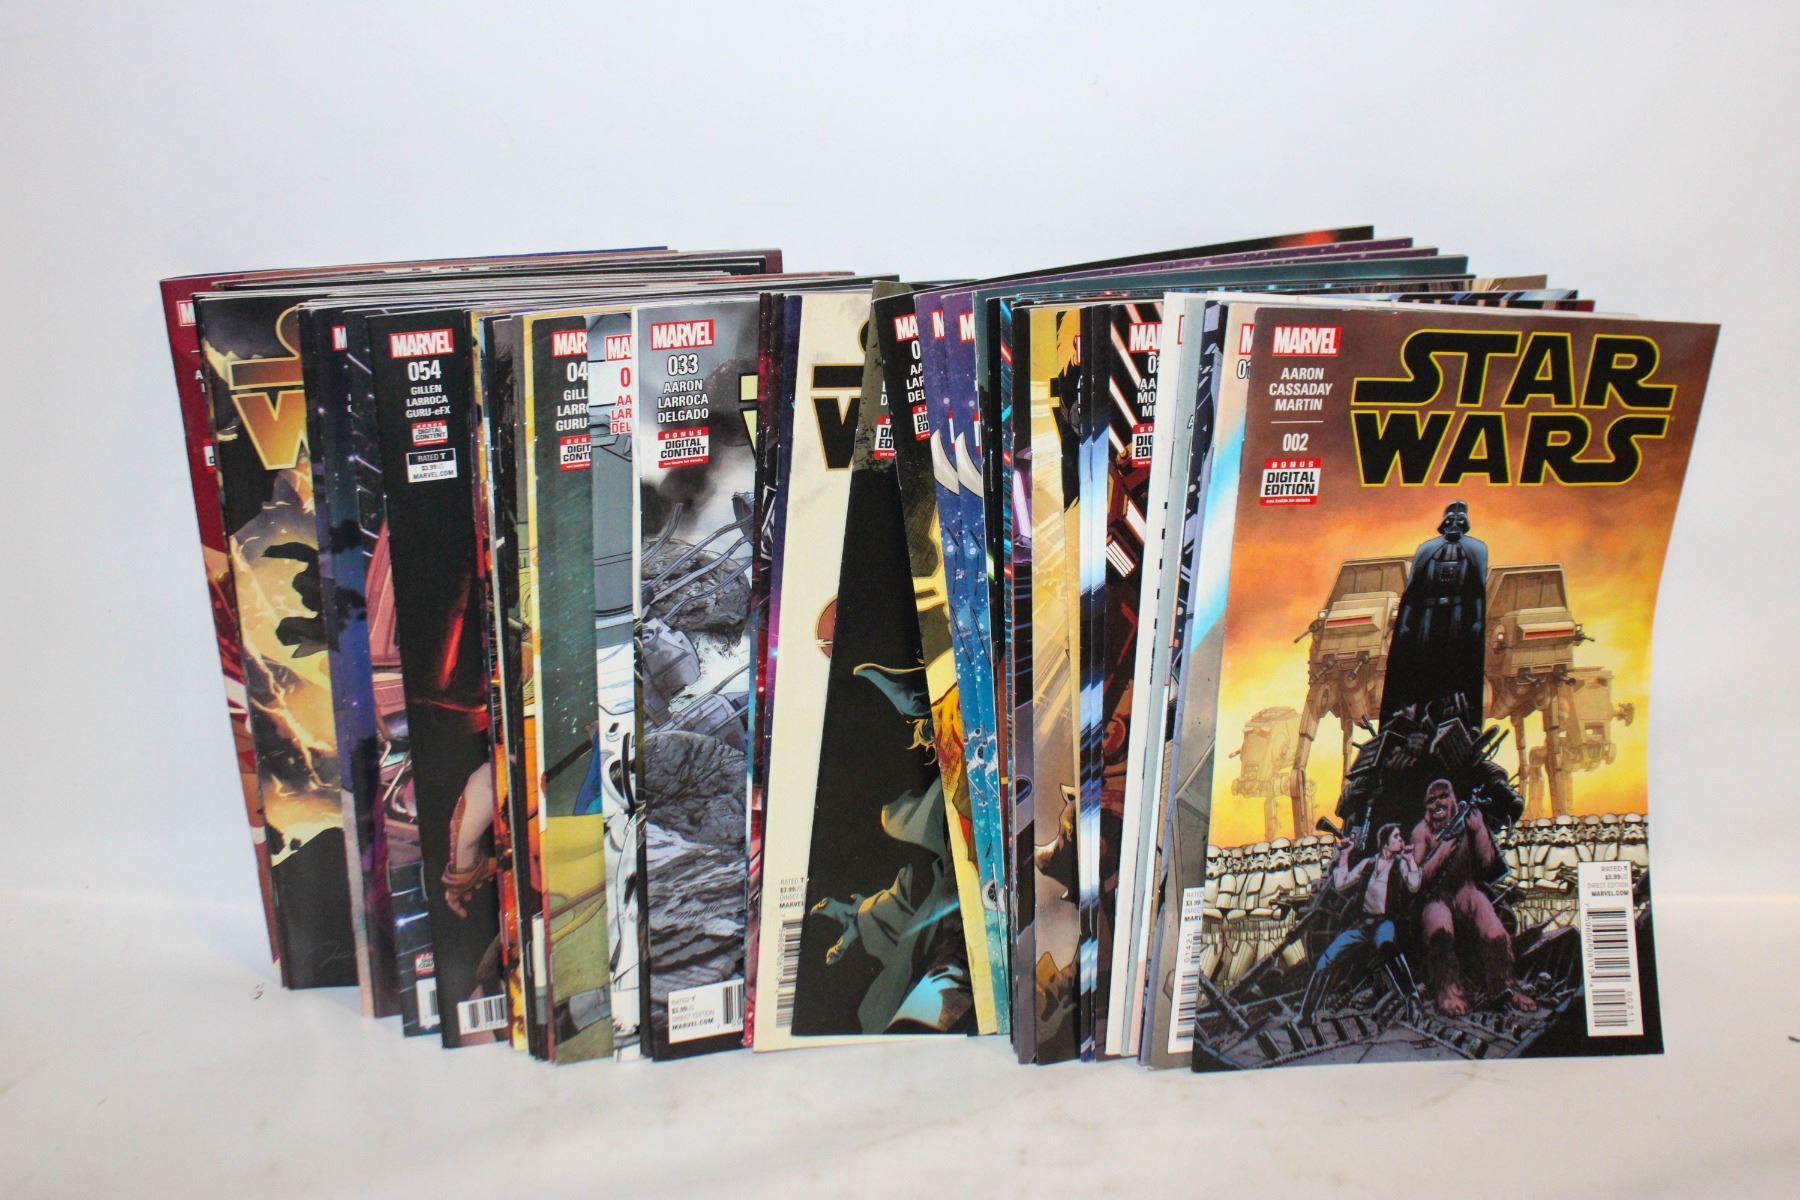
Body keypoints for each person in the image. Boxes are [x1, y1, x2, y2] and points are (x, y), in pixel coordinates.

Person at [1411, 778, 1537, 1016]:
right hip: (1435, 897)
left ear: (1453, 799)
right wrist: (1442, 852)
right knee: (1439, 931)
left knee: (1493, 928)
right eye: (1431, 800)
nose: (1437, 804)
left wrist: (1478, 831)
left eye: (1443, 797)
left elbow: (1486, 864)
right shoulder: (1421, 832)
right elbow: (1416, 879)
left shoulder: (1469, 822)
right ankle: (1448, 993)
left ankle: (1507, 987)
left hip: (1465, 889)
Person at [1296, 823, 1419, 1020]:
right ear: (1385, 842)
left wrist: (1411, 860)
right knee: (1326, 960)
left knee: (1388, 948)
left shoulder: (1400, 864)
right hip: (1363, 924)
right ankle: (1306, 1014)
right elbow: (1341, 884)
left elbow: (1414, 885)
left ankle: (1412, 1000)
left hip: (1384, 922)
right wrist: (1344, 855)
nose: (1401, 840)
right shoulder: (1368, 864)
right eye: (1396, 836)